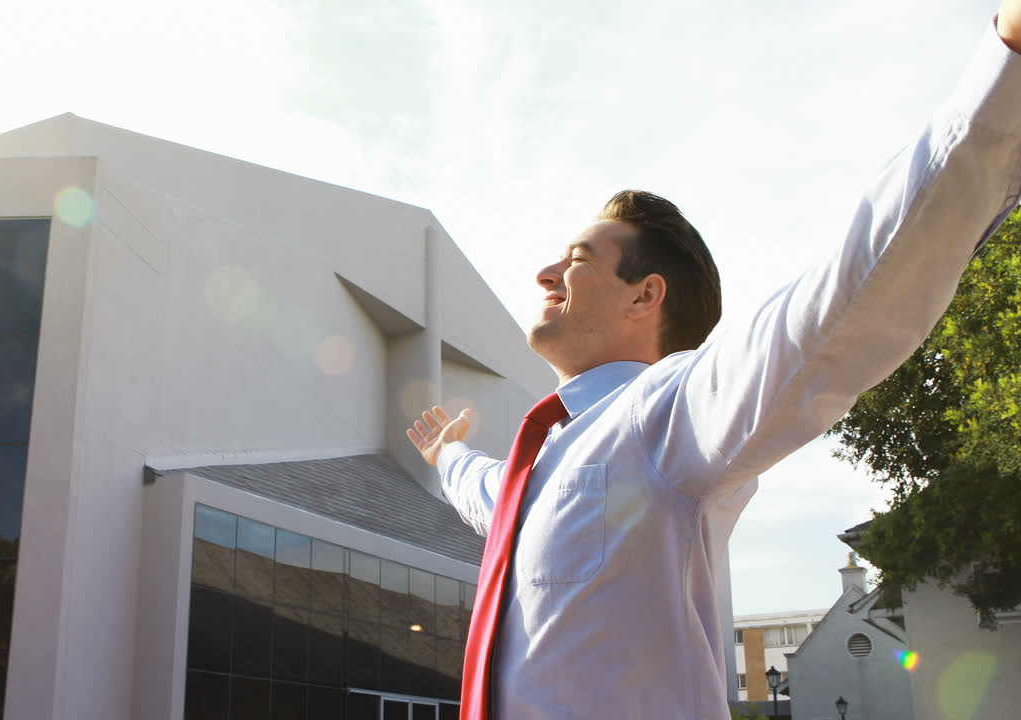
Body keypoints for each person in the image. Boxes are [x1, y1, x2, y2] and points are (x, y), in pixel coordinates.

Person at [407, 6, 1021, 719]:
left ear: (646, 296)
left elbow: (830, 317)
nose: (546, 272)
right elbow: (489, 498)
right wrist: (449, 456)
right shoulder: (535, 475)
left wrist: (1004, 61)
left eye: (576, 261)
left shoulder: (665, 414)